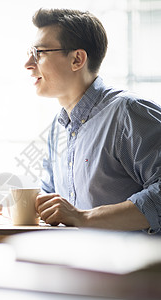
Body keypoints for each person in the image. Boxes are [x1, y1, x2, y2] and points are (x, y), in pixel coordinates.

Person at [24, 8, 161, 233]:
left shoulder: (129, 113)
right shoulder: (58, 128)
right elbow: (50, 196)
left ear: (77, 59)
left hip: (133, 267)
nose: (28, 63)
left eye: (39, 52)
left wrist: (84, 217)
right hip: (78, 263)